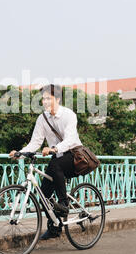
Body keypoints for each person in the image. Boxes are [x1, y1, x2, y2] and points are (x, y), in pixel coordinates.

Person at [9, 84, 82, 240]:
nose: (45, 101)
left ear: (57, 99)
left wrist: (54, 148)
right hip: (57, 158)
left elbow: (70, 139)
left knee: (55, 165)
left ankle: (64, 203)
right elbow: (35, 142)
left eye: (48, 98)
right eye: (43, 99)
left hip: (74, 155)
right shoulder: (42, 119)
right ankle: (54, 227)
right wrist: (20, 153)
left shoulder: (69, 115)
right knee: (44, 194)